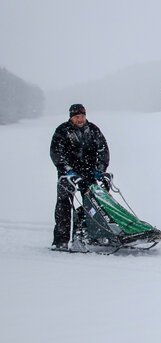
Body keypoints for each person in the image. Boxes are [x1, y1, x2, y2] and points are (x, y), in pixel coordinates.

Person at [49, 104, 110, 249]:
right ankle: (61, 241)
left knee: (93, 204)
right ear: (71, 117)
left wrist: (100, 170)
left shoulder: (93, 130)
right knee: (63, 206)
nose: (80, 119)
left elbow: (103, 151)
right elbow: (56, 153)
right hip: (68, 176)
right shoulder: (62, 131)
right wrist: (67, 170)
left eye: (82, 116)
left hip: (89, 173)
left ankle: (91, 235)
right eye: (77, 117)